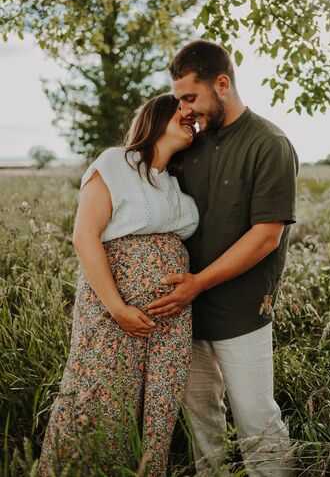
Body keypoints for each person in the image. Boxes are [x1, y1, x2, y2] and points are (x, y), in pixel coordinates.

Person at [145, 40, 298, 476]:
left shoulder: (270, 144)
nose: (184, 109)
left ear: (223, 84)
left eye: (190, 97)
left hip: (241, 313)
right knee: (202, 429)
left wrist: (198, 283)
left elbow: (266, 237)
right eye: (178, 99)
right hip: (184, 314)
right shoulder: (188, 143)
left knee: (256, 421)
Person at [38, 93, 199, 477]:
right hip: (114, 313)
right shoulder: (115, 162)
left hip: (171, 319)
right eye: (182, 112)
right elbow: (84, 236)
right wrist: (117, 307)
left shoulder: (175, 182)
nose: (191, 118)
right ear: (156, 118)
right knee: (103, 402)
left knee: (159, 409)